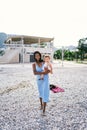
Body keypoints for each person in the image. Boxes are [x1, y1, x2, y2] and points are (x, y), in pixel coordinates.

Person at [32, 51, 50, 116]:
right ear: (34, 57)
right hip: (39, 80)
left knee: (45, 92)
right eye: (36, 56)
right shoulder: (34, 64)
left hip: (45, 79)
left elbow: (48, 70)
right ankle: (41, 105)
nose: (37, 56)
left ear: (40, 56)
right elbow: (34, 73)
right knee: (40, 92)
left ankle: (44, 110)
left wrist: (43, 72)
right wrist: (42, 72)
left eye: (38, 55)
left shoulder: (44, 62)